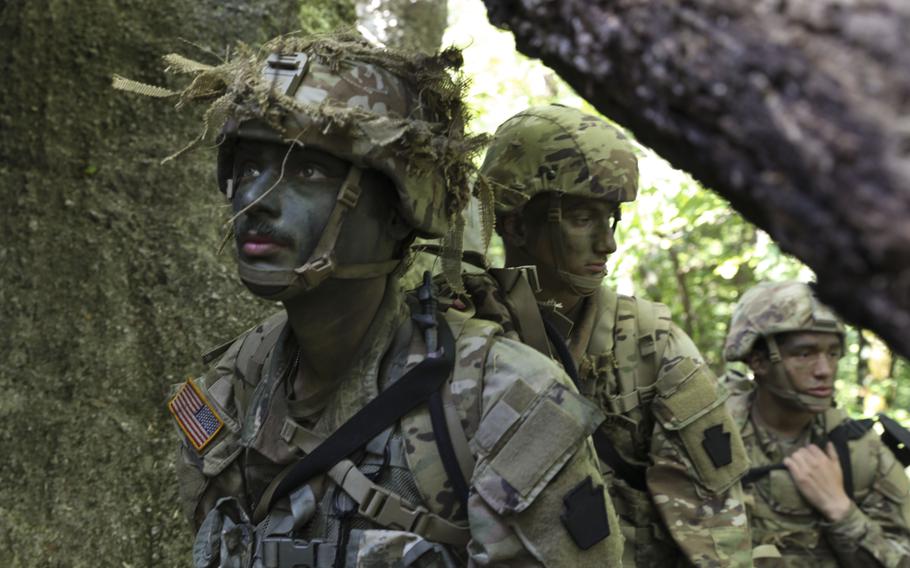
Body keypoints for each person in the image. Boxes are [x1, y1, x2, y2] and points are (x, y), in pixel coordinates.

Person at [120, 33, 623, 567]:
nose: (253, 200)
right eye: (248, 169)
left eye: (307, 171)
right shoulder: (228, 390)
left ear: (398, 207)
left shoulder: (506, 402)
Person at [466, 104, 751, 566]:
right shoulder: (460, 335)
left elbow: (716, 525)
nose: (608, 243)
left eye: (610, 218)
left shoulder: (650, 343)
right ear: (516, 224)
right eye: (582, 218)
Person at [724, 280, 910, 566]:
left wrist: (840, 510)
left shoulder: (859, 450)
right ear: (758, 361)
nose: (824, 370)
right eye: (804, 354)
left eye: (832, 353)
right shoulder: (709, 434)